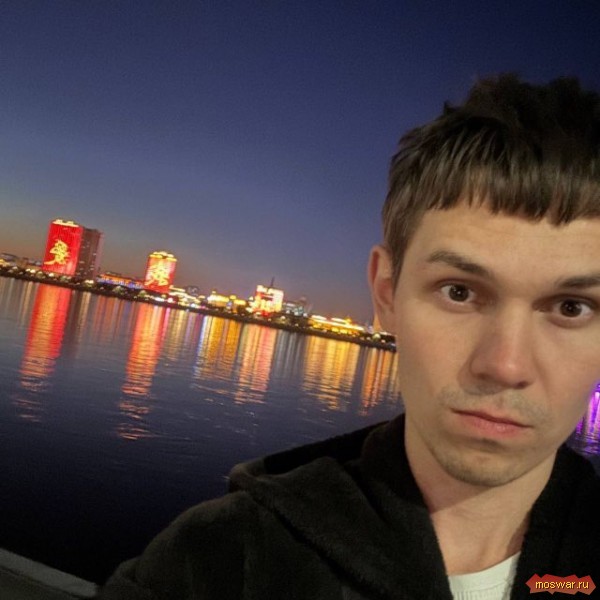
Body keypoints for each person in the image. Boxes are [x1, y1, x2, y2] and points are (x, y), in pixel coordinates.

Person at [98, 75, 600, 599]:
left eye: (571, 307)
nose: (505, 364)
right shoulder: (218, 561)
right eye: (459, 292)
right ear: (387, 293)